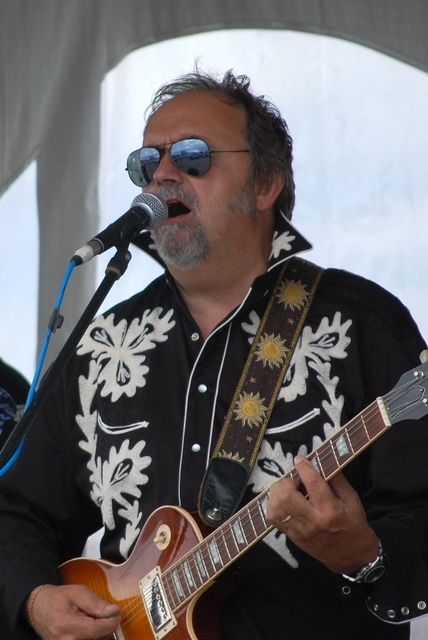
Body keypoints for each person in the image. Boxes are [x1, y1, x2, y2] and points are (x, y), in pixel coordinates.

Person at [0, 69, 427, 640]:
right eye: (147, 163)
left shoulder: (362, 323)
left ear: (266, 184)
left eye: (193, 157)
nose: (163, 176)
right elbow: (15, 511)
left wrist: (365, 555)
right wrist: (35, 600)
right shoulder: (103, 346)